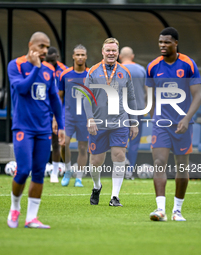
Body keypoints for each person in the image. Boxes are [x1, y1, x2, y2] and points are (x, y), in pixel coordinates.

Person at [7, 32, 65, 229]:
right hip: (23, 127)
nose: (45, 51)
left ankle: (32, 217)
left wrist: (61, 125)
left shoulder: (49, 70)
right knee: (23, 170)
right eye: (41, 46)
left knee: (39, 173)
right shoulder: (15, 65)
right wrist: (35, 69)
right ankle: (15, 207)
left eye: (47, 47)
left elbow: (55, 99)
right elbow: (21, 89)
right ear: (31, 44)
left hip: (43, 129)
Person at [147, 27, 201, 222]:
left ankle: (177, 211)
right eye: (160, 42)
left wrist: (186, 119)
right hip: (161, 125)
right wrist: (155, 118)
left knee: (181, 166)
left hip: (183, 124)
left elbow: (198, 95)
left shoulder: (188, 64)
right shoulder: (153, 66)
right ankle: (160, 210)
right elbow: (150, 97)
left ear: (176, 43)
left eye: (167, 42)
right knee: (159, 163)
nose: (162, 45)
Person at [83, 38, 138, 207]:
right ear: (102, 51)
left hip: (120, 122)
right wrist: (90, 118)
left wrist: (133, 121)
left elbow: (131, 98)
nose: (111, 53)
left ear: (118, 53)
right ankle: (97, 185)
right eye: (108, 50)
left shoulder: (125, 72)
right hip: (98, 123)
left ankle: (115, 197)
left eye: (114, 50)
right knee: (96, 161)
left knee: (119, 156)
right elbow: (86, 97)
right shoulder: (92, 71)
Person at [58, 44, 90, 187]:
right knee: (64, 144)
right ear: (73, 56)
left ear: (86, 57)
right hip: (68, 116)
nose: (80, 57)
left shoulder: (91, 75)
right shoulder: (65, 75)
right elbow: (59, 98)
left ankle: (79, 178)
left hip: (85, 118)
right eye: (77, 54)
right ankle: (68, 170)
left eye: (82, 54)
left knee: (83, 148)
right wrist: (56, 118)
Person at [119, 47, 147, 180]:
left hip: (120, 110)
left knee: (119, 138)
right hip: (138, 109)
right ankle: (129, 171)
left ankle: (121, 164)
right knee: (134, 141)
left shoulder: (117, 69)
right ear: (133, 56)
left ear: (120, 56)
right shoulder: (141, 70)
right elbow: (147, 90)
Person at [45, 46, 67, 183]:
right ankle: (39, 168)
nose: (50, 63)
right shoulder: (39, 68)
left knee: (56, 141)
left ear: (57, 58)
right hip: (41, 108)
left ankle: (55, 172)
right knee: (41, 140)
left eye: (53, 60)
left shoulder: (63, 71)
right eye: (48, 60)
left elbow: (63, 94)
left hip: (57, 109)